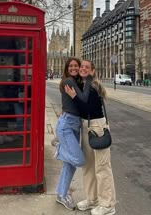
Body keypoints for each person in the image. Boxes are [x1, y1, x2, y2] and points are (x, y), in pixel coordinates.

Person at [65, 60, 116, 215]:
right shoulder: (85, 84)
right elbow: (82, 110)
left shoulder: (93, 86)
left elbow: (86, 108)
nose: (83, 68)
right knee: (88, 166)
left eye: (87, 67)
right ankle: (92, 199)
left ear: (93, 71)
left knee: (102, 167)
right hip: (87, 125)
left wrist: (74, 97)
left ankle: (107, 205)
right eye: (82, 67)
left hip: (97, 127)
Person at [55, 57, 92, 210]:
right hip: (66, 125)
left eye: (76, 65)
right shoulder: (69, 82)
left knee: (69, 166)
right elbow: (83, 99)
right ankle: (60, 148)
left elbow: (80, 103)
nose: (74, 68)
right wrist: (89, 78)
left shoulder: (76, 83)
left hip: (74, 125)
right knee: (78, 160)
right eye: (70, 66)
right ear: (67, 68)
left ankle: (61, 194)